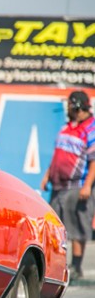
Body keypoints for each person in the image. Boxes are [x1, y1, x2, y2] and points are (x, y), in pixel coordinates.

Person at [41, 90, 95, 279]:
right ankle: (53, 265)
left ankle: (76, 267)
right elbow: (58, 153)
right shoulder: (67, 127)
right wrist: (47, 175)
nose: (68, 109)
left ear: (78, 106)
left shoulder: (91, 128)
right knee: (54, 226)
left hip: (77, 186)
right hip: (58, 185)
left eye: (71, 105)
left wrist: (87, 185)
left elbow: (93, 160)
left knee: (76, 227)